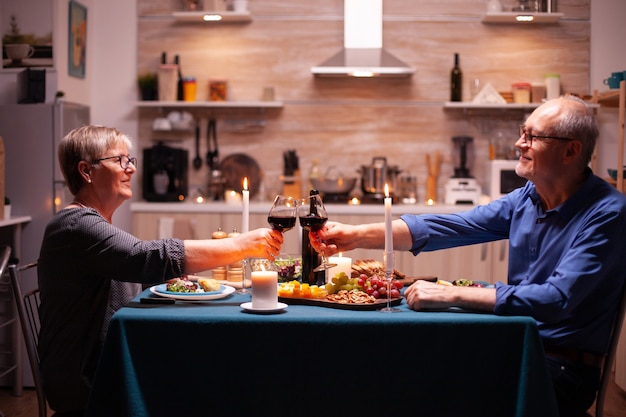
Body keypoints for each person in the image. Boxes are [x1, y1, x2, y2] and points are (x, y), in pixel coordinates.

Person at [311, 95, 626, 417]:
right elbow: (454, 226)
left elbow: (556, 299)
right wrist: (357, 235)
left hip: (560, 365)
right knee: (407, 372)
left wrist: (450, 293)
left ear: (570, 150)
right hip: (516, 344)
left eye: (533, 137)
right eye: (523, 132)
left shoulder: (607, 213)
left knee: (432, 392)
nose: (519, 143)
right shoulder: (527, 198)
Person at [38, 125, 283, 417]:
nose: (130, 169)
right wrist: (240, 245)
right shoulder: (78, 225)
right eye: (119, 160)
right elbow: (144, 257)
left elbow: (130, 274)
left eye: (131, 160)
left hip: (107, 365)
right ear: (86, 171)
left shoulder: (91, 224)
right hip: (87, 382)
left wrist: (170, 278)